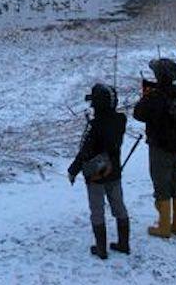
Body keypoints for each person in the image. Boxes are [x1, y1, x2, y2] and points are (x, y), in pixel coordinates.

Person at [67, 83, 130, 259]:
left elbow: (85, 152)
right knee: (119, 206)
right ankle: (124, 244)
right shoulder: (120, 120)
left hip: (95, 174)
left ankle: (101, 249)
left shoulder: (95, 126)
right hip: (114, 171)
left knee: (97, 210)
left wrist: (73, 170)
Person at [132, 58, 176, 239]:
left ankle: (164, 227)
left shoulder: (154, 96)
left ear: (159, 75)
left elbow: (138, 114)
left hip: (159, 146)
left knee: (161, 184)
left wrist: (147, 95)